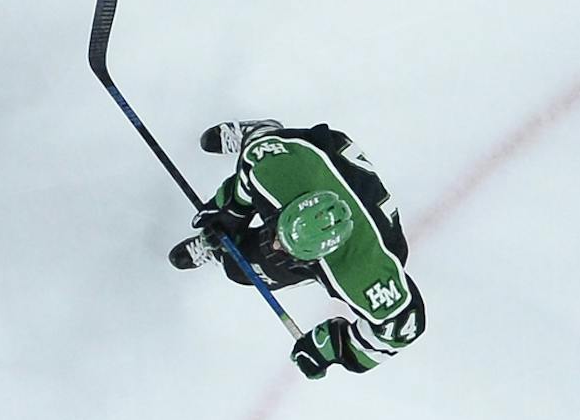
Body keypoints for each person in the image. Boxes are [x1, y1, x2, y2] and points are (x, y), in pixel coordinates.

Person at [170, 120, 427, 379]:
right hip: (323, 156)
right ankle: (260, 129)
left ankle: (220, 251)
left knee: (243, 269)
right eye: (279, 235)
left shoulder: (361, 272)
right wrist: (229, 211)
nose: (274, 245)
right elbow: (253, 162)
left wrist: (332, 347)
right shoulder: (276, 171)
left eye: (286, 249)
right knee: (262, 150)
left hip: (370, 232)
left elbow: (403, 328)